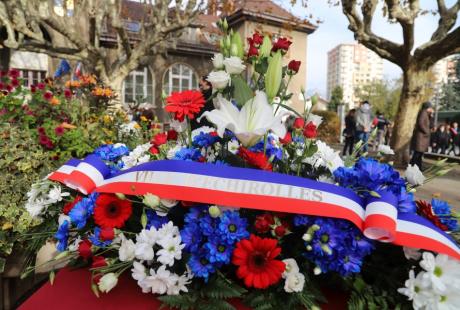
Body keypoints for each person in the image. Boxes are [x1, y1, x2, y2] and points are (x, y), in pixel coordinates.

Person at [410, 102, 434, 170]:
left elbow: (431, 125)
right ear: (427, 107)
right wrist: (426, 131)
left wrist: (431, 116)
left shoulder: (427, 114)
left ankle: (416, 167)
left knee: (419, 154)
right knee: (418, 154)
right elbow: (420, 123)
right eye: (430, 107)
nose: (431, 109)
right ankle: (415, 167)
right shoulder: (423, 113)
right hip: (421, 138)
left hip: (423, 138)